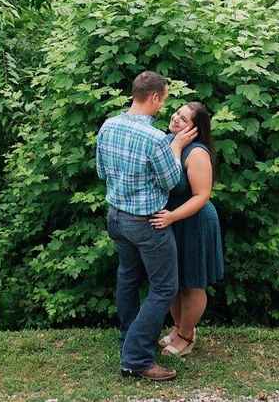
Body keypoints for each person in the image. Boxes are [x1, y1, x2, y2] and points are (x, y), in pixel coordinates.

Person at [96, 71, 198, 383]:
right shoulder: (155, 139)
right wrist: (176, 149)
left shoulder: (108, 125)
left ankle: (130, 336)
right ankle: (136, 359)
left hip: (116, 216)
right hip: (147, 223)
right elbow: (171, 181)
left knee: (128, 276)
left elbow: (102, 172)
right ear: (154, 97)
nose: (163, 106)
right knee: (164, 286)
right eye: (164, 99)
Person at [149, 101, 224, 357]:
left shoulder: (197, 153)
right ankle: (179, 326)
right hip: (173, 220)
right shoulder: (170, 142)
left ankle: (186, 335)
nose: (176, 119)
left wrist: (171, 217)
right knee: (174, 281)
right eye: (176, 113)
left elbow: (201, 196)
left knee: (193, 283)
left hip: (194, 222)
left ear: (195, 128)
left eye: (184, 118)